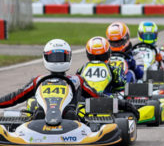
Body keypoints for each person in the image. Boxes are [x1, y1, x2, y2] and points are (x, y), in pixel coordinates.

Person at [0, 39, 139, 120]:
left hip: (69, 118)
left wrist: (124, 105)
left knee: (78, 111)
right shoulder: (39, 80)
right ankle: (41, 116)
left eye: (61, 57)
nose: (57, 61)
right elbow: (15, 97)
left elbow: (98, 97)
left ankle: (65, 118)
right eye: (54, 57)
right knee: (32, 105)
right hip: (41, 117)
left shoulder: (76, 80)